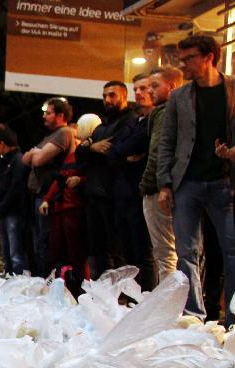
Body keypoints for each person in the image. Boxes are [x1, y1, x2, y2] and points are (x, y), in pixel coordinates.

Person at [158, 34, 235, 326]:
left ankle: (233, 317)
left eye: (189, 58)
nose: (183, 64)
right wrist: (165, 183)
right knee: (187, 253)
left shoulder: (233, 89)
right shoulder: (179, 96)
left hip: (225, 184)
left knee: (232, 252)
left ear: (209, 57)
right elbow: (168, 142)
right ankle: (193, 316)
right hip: (186, 182)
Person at [77, 83, 135, 279]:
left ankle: (121, 295)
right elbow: (79, 152)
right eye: (104, 96)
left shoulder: (129, 121)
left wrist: (90, 149)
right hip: (94, 193)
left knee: (116, 250)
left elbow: (114, 151)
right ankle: (104, 292)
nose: (107, 100)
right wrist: (92, 148)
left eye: (112, 95)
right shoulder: (102, 126)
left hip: (113, 194)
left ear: (124, 96)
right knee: (98, 249)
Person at [105, 73, 157, 291]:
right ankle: (133, 295)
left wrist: (125, 152)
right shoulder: (136, 119)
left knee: (144, 250)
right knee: (128, 249)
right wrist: (125, 153)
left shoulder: (155, 119)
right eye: (136, 89)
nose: (140, 93)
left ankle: (146, 295)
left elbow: (126, 146)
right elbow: (115, 151)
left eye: (144, 88)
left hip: (142, 192)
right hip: (123, 193)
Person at [39, 114, 101, 293]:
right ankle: (69, 285)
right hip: (63, 208)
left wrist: (80, 181)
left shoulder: (86, 154)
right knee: (60, 251)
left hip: (75, 208)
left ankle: (82, 287)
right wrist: (47, 200)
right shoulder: (75, 154)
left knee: (78, 253)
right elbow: (60, 179)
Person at [23, 97, 77, 277]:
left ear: (61, 115)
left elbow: (36, 160)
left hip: (50, 195)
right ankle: (41, 278)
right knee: (39, 241)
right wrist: (35, 153)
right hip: (39, 195)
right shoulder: (50, 136)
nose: (44, 116)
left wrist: (35, 153)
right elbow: (25, 159)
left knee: (46, 241)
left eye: (49, 113)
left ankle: (46, 279)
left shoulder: (64, 133)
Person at [140, 66, 184, 283]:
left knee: (165, 252)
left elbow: (158, 152)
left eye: (155, 86)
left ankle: (169, 304)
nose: (149, 91)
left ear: (173, 86)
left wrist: (149, 185)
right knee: (170, 251)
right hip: (168, 188)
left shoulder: (167, 112)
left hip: (160, 190)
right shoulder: (175, 111)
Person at [0, 124, 28, 275]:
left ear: (1, 142)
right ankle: (11, 281)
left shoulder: (18, 160)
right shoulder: (7, 161)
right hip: (6, 212)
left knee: (15, 253)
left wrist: (1, 208)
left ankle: (20, 283)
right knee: (7, 253)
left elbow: (16, 189)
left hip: (14, 213)